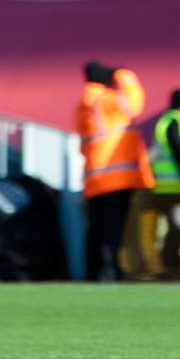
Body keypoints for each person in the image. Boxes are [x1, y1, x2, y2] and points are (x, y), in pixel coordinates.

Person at [74, 61, 152, 281]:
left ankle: (93, 273)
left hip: (94, 178)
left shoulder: (83, 103)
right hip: (116, 178)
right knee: (113, 230)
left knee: (96, 230)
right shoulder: (106, 100)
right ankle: (112, 272)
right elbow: (134, 104)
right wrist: (124, 74)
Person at [144, 88, 180, 275]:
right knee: (176, 229)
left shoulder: (166, 120)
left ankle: (170, 265)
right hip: (174, 185)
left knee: (172, 228)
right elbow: (178, 150)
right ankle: (171, 267)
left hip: (164, 184)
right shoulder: (175, 122)